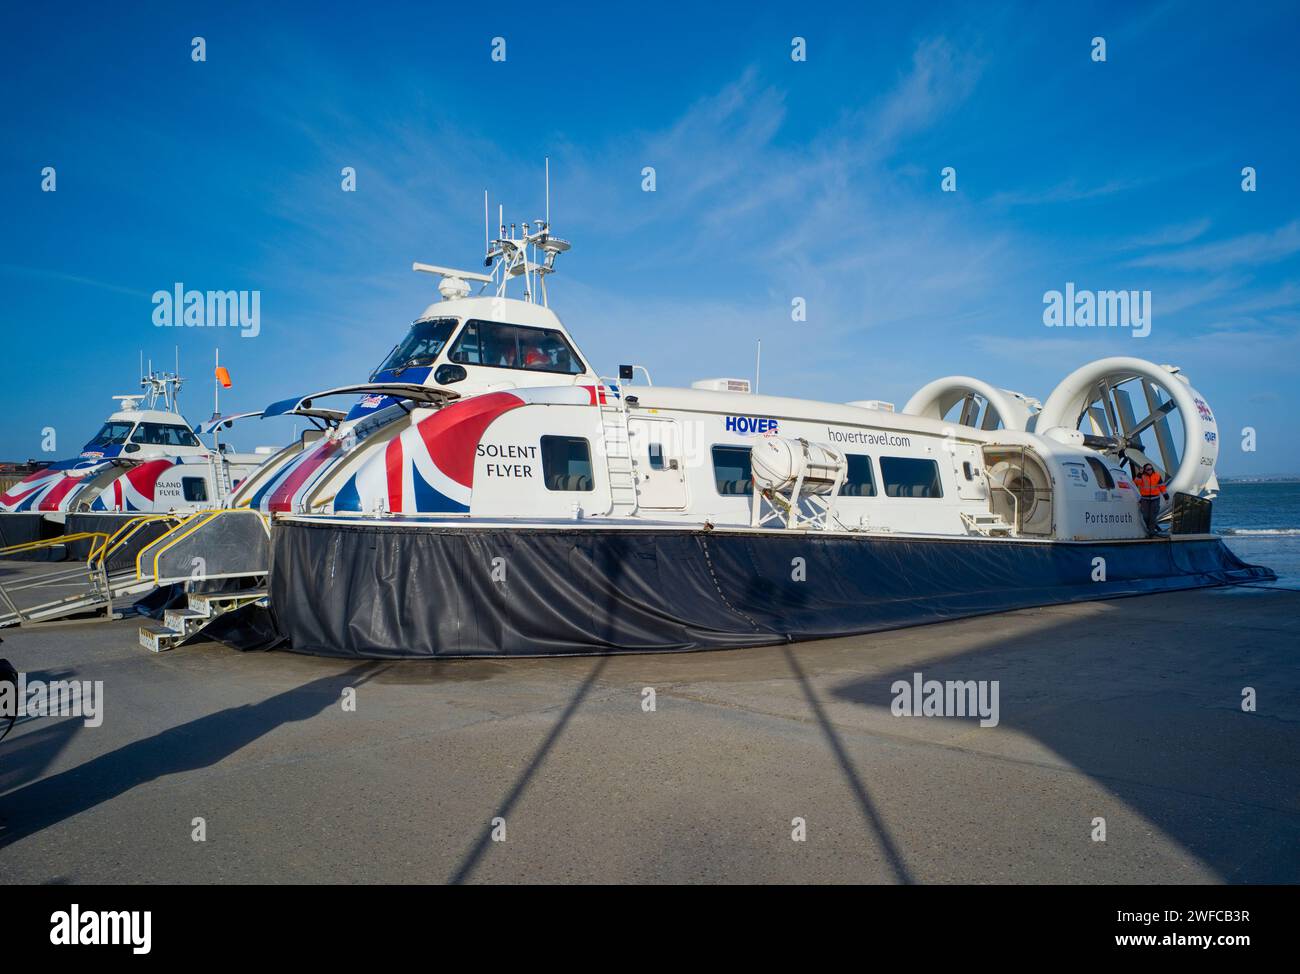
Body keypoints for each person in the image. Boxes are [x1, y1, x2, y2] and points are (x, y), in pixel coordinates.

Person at [1134, 462, 1168, 537]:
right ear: (1145, 470)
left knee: (1153, 516)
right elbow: (1136, 481)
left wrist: (1166, 496)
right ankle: (1152, 528)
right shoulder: (1142, 476)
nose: (1150, 470)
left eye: (1151, 469)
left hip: (1155, 499)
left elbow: (1162, 487)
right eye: (1148, 469)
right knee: (1145, 516)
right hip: (1145, 499)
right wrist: (1140, 473)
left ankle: (1151, 532)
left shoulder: (1157, 476)